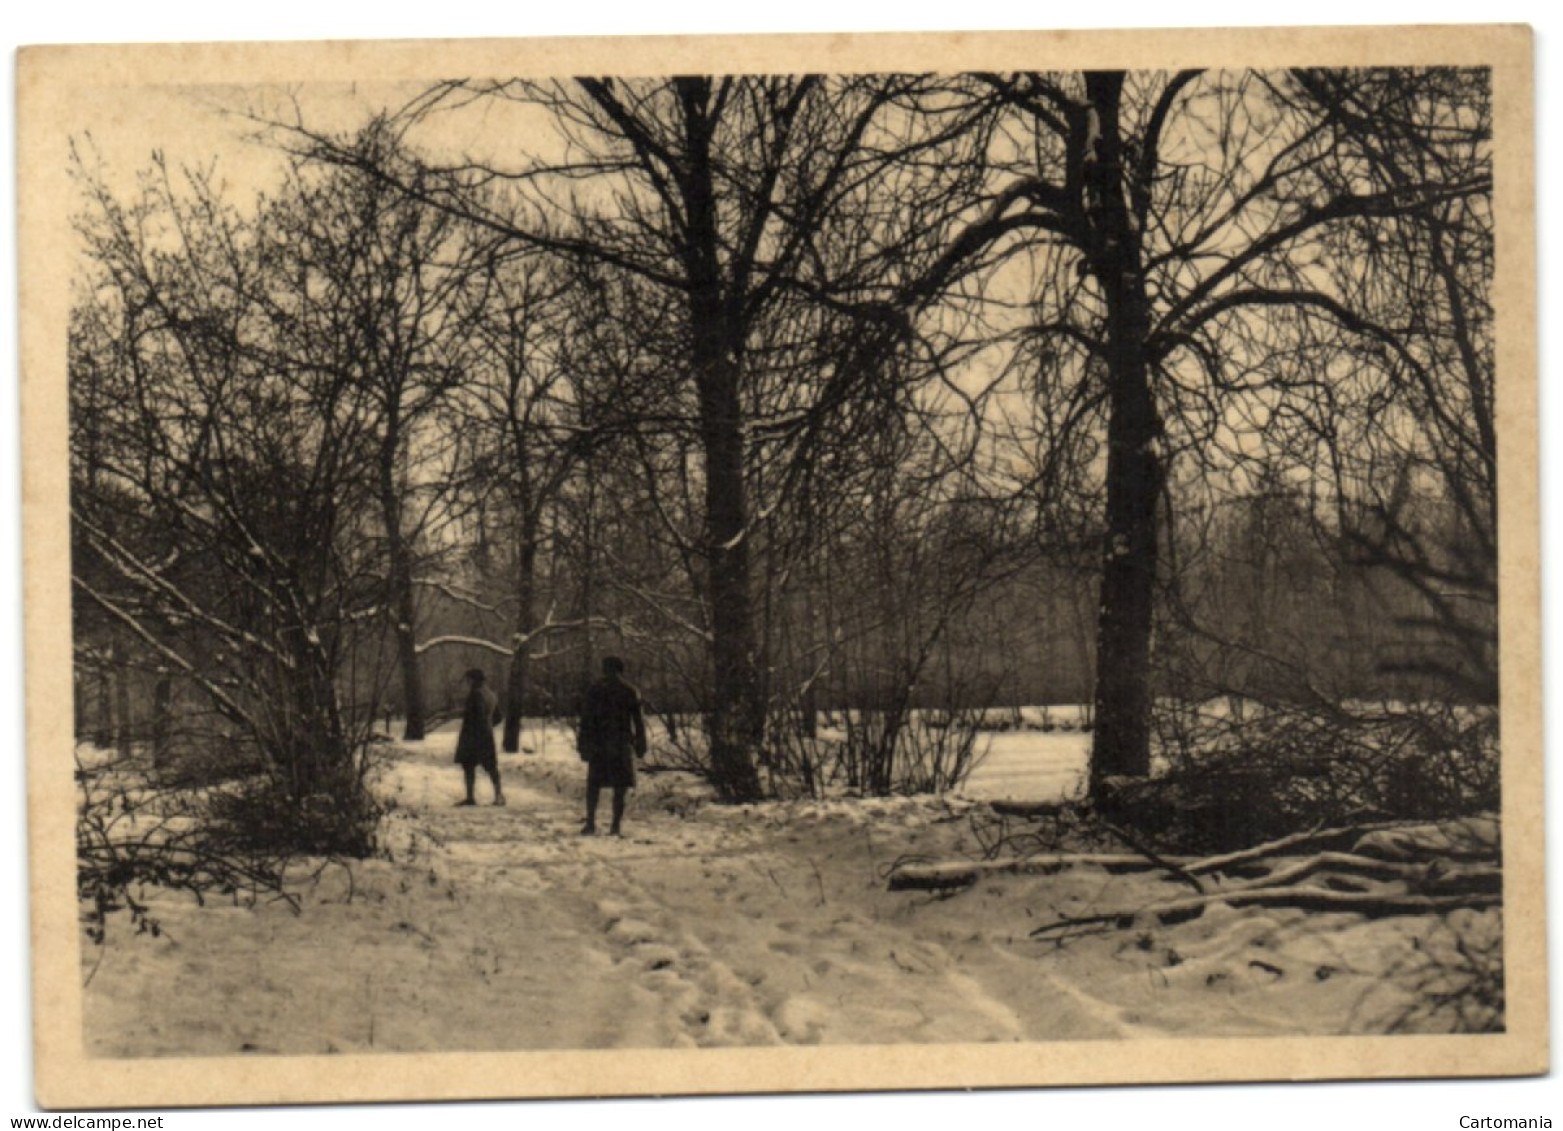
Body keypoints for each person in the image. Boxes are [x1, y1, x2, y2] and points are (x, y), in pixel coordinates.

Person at [576, 655, 647, 836]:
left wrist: (583, 744)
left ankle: (591, 822)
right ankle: (615, 825)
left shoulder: (594, 690)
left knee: (594, 785)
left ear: (604, 669)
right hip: (621, 744)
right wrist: (641, 743)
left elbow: (585, 721)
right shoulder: (630, 691)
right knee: (620, 786)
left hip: (599, 744)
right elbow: (638, 721)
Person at [453, 668, 504, 807]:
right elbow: (498, 717)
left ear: (474, 680)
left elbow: (477, 715)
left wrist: (475, 730)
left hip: (473, 736)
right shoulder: (491, 695)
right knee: (491, 766)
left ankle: (470, 797)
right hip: (486, 734)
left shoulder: (475, 694)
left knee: (468, 765)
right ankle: (499, 795)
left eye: (469, 679)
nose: (467, 682)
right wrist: (488, 725)